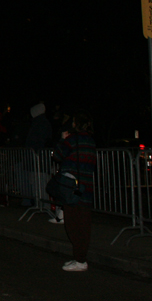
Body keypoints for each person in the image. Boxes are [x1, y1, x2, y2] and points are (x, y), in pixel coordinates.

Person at [52, 110, 97, 272]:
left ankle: (80, 259)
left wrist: (62, 140)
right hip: (86, 187)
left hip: (72, 188)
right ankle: (79, 257)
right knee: (83, 224)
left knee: (73, 225)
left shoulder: (71, 140)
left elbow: (57, 155)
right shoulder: (91, 141)